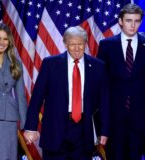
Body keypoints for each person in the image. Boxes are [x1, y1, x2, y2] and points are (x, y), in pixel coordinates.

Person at [24, 26, 110, 160]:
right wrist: (30, 127)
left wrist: (103, 131)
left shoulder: (98, 66)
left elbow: (104, 101)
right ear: (65, 44)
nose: (77, 48)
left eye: (80, 44)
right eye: (72, 44)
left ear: (86, 44)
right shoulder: (50, 64)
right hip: (55, 128)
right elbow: (37, 98)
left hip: (83, 130)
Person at [97, 3, 145, 160]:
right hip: (114, 117)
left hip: (140, 117)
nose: (133, 25)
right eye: (129, 20)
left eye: (137, 21)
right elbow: (101, 82)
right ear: (120, 21)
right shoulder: (107, 45)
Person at [0, 23, 27, 160]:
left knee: (6, 156)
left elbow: (21, 96)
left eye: (5, 39)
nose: (1, 42)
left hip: (8, 118)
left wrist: (26, 126)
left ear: (9, 42)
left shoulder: (16, 63)